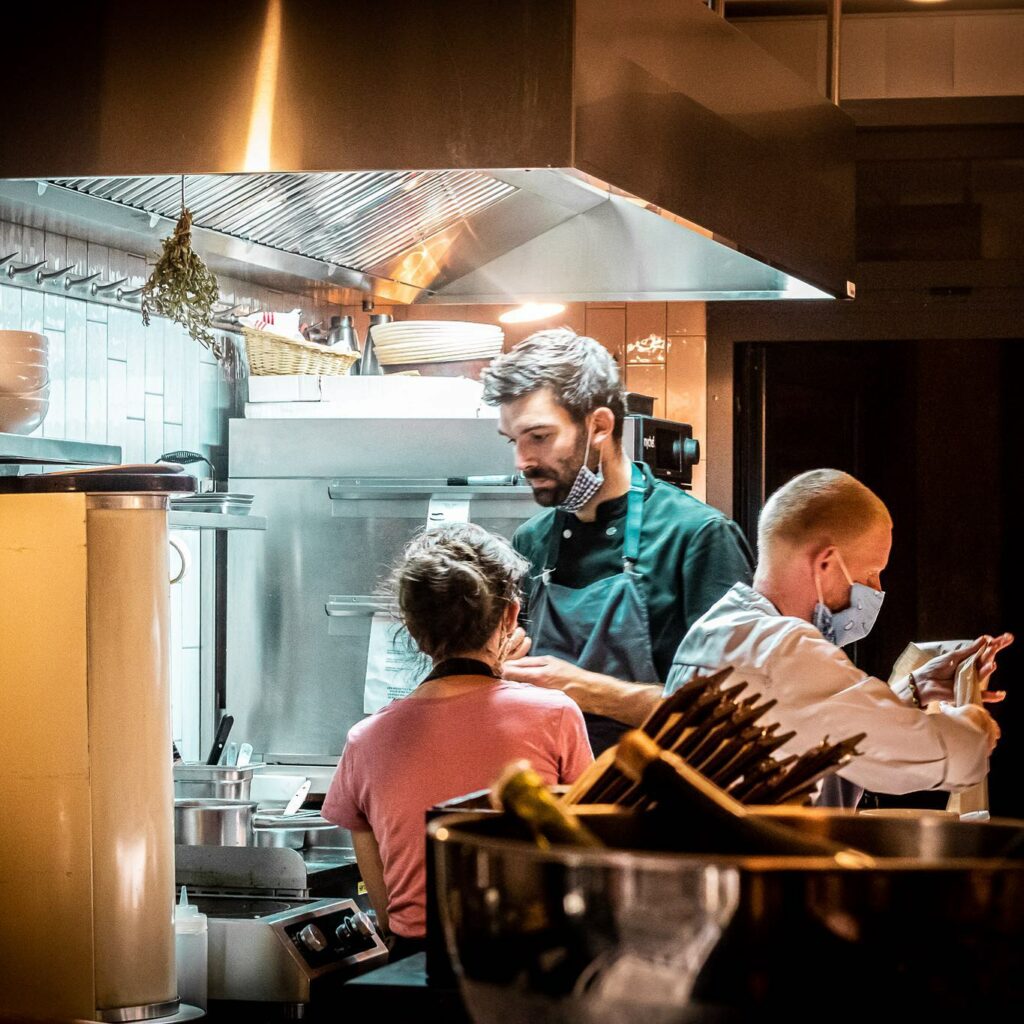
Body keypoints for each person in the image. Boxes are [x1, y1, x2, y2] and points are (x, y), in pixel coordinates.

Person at [521, 468, 1010, 805]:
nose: (877, 591)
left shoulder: (728, 628)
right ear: (825, 562)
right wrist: (969, 719)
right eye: (871, 574)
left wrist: (918, 691)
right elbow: (941, 757)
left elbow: (829, 730)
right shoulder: (783, 652)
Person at [322, 523, 593, 955]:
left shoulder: (366, 738)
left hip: (419, 964)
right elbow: (587, 844)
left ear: (409, 627)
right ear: (509, 615)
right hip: (534, 957)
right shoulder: (556, 715)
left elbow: (390, 914)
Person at [481, 328, 754, 753]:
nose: (522, 461)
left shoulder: (697, 538)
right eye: (513, 441)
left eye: (539, 437)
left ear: (600, 426)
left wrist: (580, 688)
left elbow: (729, 711)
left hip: (658, 807)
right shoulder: (532, 541)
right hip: (550, 799)